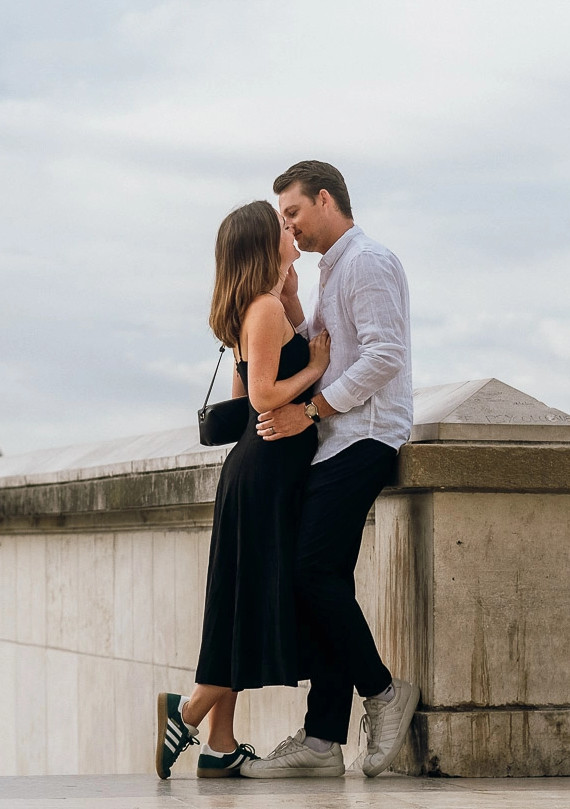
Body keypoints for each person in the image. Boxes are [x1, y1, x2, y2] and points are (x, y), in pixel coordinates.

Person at [241, 160, 420, 779]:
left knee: (311, 572)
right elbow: (319, 349)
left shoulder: (366, 261)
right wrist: (291, 299)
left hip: (365, 436)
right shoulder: (334, 270)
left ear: (325, 199)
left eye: (292, 212)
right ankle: (322, 740)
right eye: (282, 218)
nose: (288, 226)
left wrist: (312, 411)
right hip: (338, 440)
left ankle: (383, 692)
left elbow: (384, 356)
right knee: (322, 580)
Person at [156, 200, 331, 780]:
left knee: (236, 602)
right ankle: (186, 713)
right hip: (266, 473)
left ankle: (220, 744)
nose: (291, 227)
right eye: (281, 225)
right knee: (251, 602)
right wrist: (314, 370)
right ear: (262, 243)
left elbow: (240, 400)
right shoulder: (263, 309)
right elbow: (260, 398)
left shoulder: (259, 307)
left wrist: (294, 299)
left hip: (254, 470)